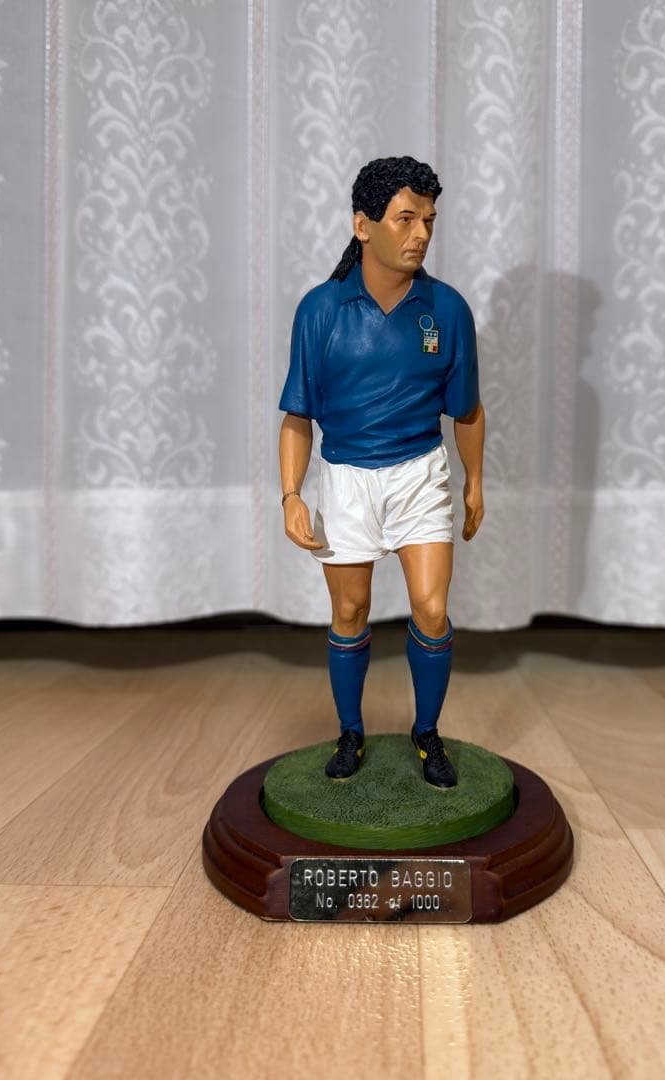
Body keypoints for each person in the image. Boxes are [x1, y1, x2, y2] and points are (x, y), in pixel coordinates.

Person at [278, 156, 485, 788]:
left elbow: (468, 410)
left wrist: (475, 482)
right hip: (346, 477)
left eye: (429, 220)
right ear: (363, 225)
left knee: (431, 607)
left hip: (420, 473)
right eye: (405, 218)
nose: (421, 233)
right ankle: (350, 732)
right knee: (351, 609)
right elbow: (297, 415)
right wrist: (291, 493)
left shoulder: (447, 310)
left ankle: (427, 733)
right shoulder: (321, 310)